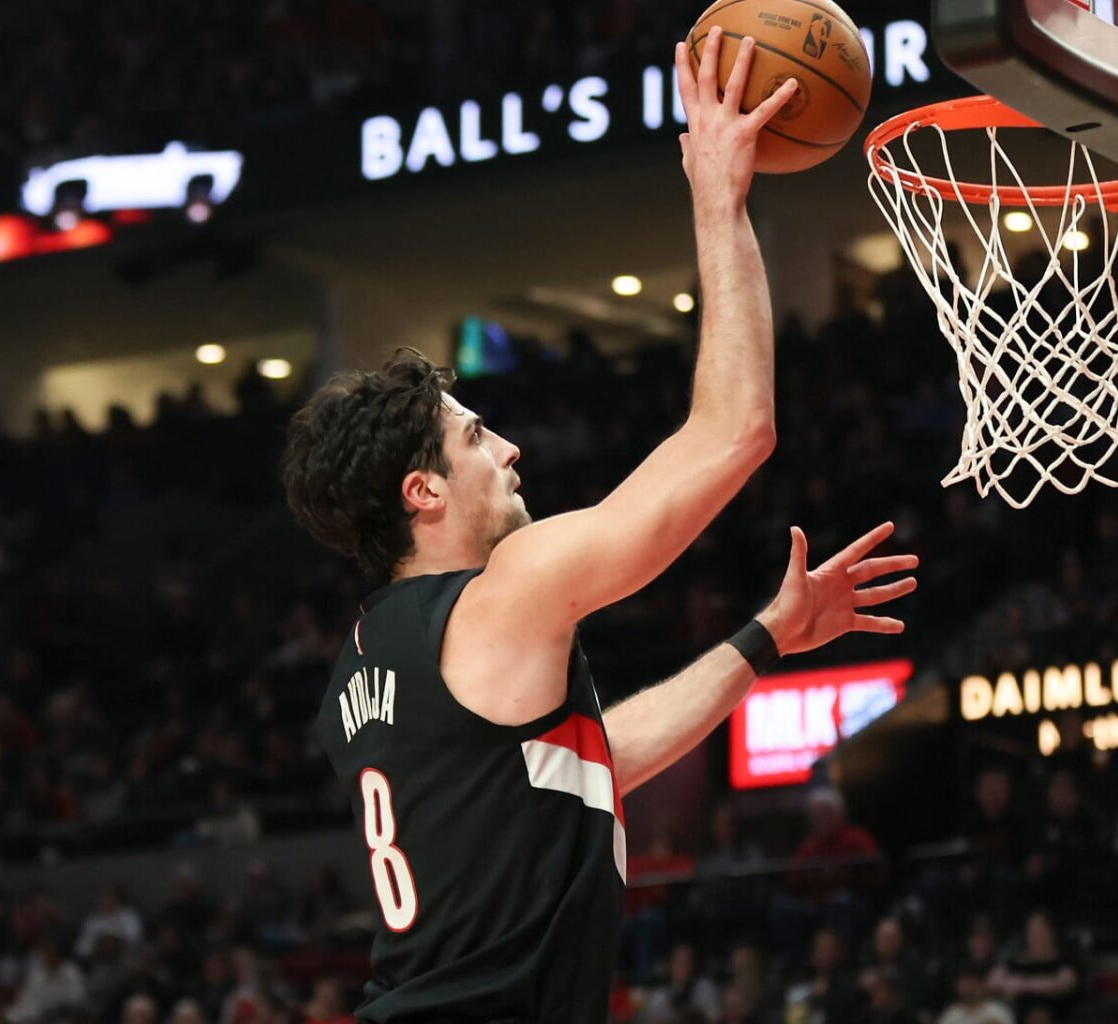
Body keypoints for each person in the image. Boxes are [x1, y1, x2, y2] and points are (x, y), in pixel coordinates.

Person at [278, 31, 917, 1024]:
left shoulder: (366, 667)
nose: (510, 449)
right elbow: (736, 432)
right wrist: (719, 195)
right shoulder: (500, 596)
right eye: (476, 436)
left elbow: (590, 762)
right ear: (423, 493)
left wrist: (767, 638)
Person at [938, 966, 1013, 1024]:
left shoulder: (998, 1012)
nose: (968, 988)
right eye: (964, 984)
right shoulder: (951, 1015)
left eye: (971, 983)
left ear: (981, 984)